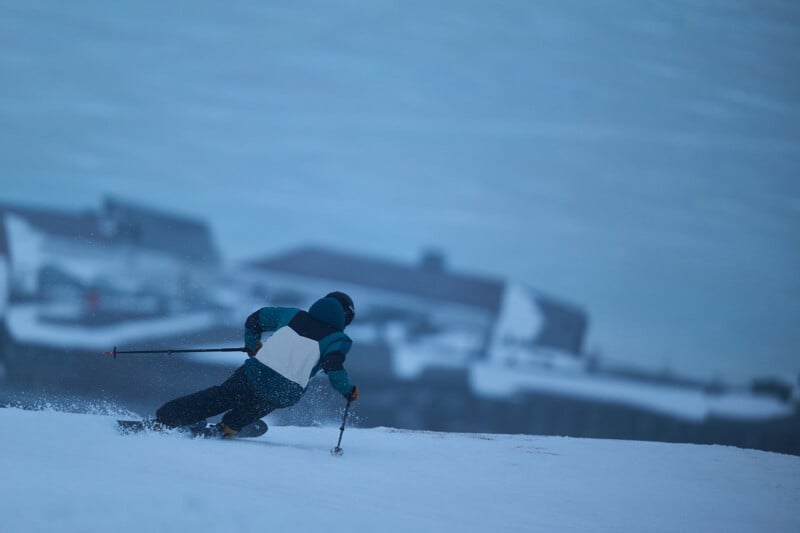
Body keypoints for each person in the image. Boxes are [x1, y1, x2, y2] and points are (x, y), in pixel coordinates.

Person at [154, 291, 359, 437]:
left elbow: (254, 320)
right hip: (287, 391)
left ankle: (167, 419)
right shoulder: (339, 340)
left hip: (255, 373)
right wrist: (347, 390)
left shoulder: (293, 315)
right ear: (346, 317)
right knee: (264, 401)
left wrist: (253, 346)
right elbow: (333, 366)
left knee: (221, 397)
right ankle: (230, 426)